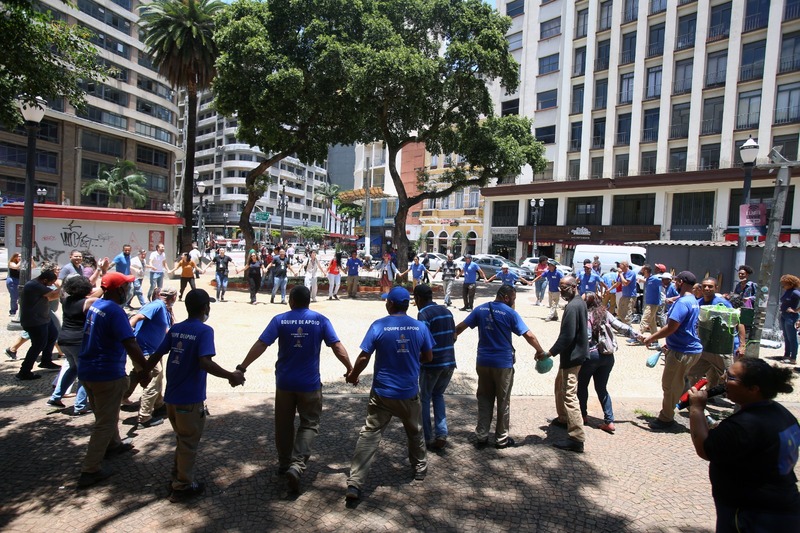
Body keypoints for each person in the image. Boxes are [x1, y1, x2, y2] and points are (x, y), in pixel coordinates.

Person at [235, 286, 352, 492]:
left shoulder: (280, 320)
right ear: (309, 301)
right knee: (309, 424)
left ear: (291, 301)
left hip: (285, 383)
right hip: (309, 384)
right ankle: (297, 465)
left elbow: (262, 344)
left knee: (283, 424)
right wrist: (350, 369)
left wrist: (242, 367)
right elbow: (336, 345)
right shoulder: (320, 320)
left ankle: (284, 463)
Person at [145, 289, 244, 502]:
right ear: (205, 308)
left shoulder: (176, 329)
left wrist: (142, 373)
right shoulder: (204, 331)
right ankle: (182, 486)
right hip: (189, 400)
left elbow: (157, 354)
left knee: (182, 439)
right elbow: (205, 362)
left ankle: (177, 475)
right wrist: (230, 376)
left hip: (171, 398)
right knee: (189, 442)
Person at [687, 359, 800, 532]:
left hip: (750, 514)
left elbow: (705, 449)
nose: (724, 380)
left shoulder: (744, 425)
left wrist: (696, 409)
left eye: (731, 378)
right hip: (783, 505)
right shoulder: (782, 414)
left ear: (753, 389)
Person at [344, 287, 434, 502]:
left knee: (370, 435)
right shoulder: (420, 327)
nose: (386, 303)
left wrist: (353, 375)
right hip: (408, 392)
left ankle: (355, 483)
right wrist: (412, 360)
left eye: (387, 301)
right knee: (415, 430)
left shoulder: (379, 326)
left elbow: (364, 356)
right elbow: (429, 357)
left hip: (382, 393)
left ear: (391, 304)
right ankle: (419, 468)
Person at [76, 272, 150, 488]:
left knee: (105, 413)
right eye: (125, 286)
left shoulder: (96, 306)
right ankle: (90, 469)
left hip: (88, 370)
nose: (128, 289)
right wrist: (144, 369)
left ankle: (114, 444)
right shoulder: (115, 312)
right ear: (118, 290)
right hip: (105, 373)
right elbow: (131, 344)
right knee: (105, 422)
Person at [455, 285, 544, 449]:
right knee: (503, 401)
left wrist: (449, 340)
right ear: (506, 298)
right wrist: (540, 351)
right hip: (503, 364)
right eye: (514, 299)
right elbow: (529, 335)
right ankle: (501, 439)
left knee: (484, 399)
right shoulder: (510, 313)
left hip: (483, 362)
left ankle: (481, 436)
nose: (514, 302)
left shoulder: (480, 309)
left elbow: (459, 327)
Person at [641, 271, 703, 431]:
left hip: (682, 352)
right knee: (682, 384)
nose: (674, 282)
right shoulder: (692, 301)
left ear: (681, 282)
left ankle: (666, 419)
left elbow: (671, 327)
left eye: (676, 280)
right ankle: (704, 415)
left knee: (670, 385)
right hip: (689, 349)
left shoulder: (683, 303)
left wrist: (651, 337)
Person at [536, 275, 588, 453]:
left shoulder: (574, 306)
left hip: (572, 358)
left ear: (574, 286)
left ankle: (576, 437)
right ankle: (564, 419)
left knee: (569, 395)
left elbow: (567, 336)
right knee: (560, 386)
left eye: (564, 287)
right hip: (572, 356)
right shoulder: (579, 303)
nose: (561, 291)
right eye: (560, 287)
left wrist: (548, 353)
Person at [578, 292, 635, 434]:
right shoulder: (605, 314)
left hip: (591, 356)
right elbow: (621, 327)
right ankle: (609, 421)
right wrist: (640, 337)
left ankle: (583, 415)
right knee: (602, 388)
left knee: (582, 386)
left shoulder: (585, 315)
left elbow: (587, 336)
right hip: (607, 357)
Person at [413, 284, 457, 450]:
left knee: (424, 398)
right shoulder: (447, 311)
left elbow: (422, 341)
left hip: (432, 364)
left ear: (418, 298)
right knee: (438, 395)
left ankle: (427, 437)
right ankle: (442, 433)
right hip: (449, 362)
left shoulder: (423, 314)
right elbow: (454, 336)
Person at [129, 286, 177, 427]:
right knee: (153, 381)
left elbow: (169, 329)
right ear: (173, 297)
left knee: (158, 377)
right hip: (146, 351)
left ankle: (159, 405)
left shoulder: (164, 308)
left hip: (155, 350)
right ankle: (144, 417)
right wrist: (127, 335)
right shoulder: (157, 305)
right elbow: (136, 317)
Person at [688, 278, 745, 391]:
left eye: (710, 286)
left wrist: (742, 345)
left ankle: (742, 403)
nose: (707, 289)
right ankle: (693, 400)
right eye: (704, 286)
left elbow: (739, 322)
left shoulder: (722, 304)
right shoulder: (698, 303)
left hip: (722, 349)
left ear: (716, 288)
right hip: (704, 349)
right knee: (692, 375)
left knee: (730, 377)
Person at [47, 276, 93, 415]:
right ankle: (80, 405)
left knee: (73, 368)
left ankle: (55, 397)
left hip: (64, 339)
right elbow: (100, 297)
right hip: (78, 341)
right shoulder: (87, 302)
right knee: (84, 373)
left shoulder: (65, 301)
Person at [17, 267, 62, 380]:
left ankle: (46, 361)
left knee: (52, 335)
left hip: (43, 318)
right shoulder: (34, 286)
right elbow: (53, 296)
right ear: (45, 280)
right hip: (34, 321)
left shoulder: (39, 284)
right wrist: (65, 288)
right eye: (50, 283)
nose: (50, 285)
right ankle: (24, 371)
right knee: (38, 345)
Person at [779, 274, 800, 365]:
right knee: (786, 336)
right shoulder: (788, 291)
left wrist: (796, 310)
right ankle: (787, 354)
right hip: (784, 315)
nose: (783, 286)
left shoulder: (795, 292)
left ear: (791, 284)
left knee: (792, 337)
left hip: (791, 316)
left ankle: (793, 357)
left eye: (784, 284)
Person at [638, 264, 661, 338]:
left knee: (644, 320)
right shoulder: (648, 279)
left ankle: (637, 336)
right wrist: (643, 280)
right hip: (649, 303)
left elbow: (664, 282)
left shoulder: (655, 278)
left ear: (645, 270)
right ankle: (655, 339)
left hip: (652, 304)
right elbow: (647, 281)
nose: (640, 271)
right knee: (652, 323)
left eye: (642, 269)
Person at [110, 244, 134, 309]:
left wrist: (131, 274)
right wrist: (104, 270)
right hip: (120, 279)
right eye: (125, 250)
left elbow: (127, 267)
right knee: (121, 294)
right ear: (123, 250)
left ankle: (122, 306)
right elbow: (112, 264)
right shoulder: (119, 257)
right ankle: (119, 307)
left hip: (128, 278)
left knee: (131, 293)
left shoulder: (129, 256)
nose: (127, 251)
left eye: (128, 250)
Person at [7, 252, 21, 316]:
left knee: (21, 297)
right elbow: (15, 267)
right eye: (19, 256)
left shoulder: (21, 263)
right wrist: (22, 260)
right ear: (15, 257)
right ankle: (13, 311)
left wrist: (31, 260)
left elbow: (34, 266)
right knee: (14, 297)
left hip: (20, 280)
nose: (20, 258)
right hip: (12, 281)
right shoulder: (11, 263)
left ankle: (21, 311)